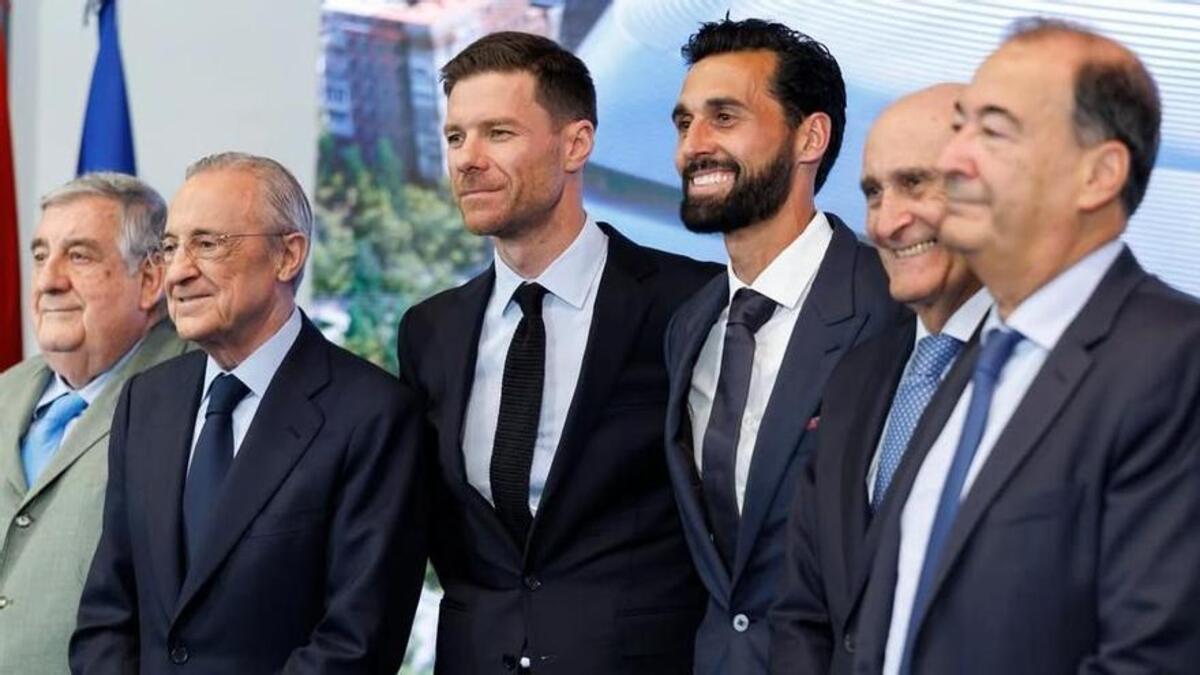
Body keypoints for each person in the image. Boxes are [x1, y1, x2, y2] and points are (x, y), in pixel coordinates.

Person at [853, 19, 1200, 674]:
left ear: (1099, 174)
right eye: (960, 126)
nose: (954, 159)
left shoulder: (1175, 363)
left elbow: (1154, 657)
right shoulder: (969, 362)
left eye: (993, 129)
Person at [396, 32, 719, 674]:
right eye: (457, 136)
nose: (467, 159)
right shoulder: (428, 330)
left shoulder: (690, 302)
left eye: (499, 133)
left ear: (575, 144)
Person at [70, 153, 426, 673]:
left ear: (288, 256)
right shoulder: (146, 401)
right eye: (170, 247)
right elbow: (108, 612)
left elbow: (356, 641)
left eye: (208, 244)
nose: (180, 271)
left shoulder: (373, 416)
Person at [664, 18, 902, 673]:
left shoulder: (894, 307)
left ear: (811, 136)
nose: (694, 145)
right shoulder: (691, 326)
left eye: (724, 117)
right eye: (684, 123)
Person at [768, 84, 991, 675]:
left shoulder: (1044, 371)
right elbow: (805, 609)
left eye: (917, 184)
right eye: (873, 193)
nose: (890, 221)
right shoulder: (858, 374)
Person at [0, 174, 187, 675]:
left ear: (151, 279)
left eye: (79, 256)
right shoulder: (5, 391)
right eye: (41, 256)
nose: (48, 280)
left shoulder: (196, 395)